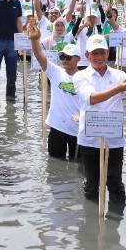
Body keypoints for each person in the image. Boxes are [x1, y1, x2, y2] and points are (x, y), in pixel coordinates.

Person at [74, 35, 126, 205]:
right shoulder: (80, 76)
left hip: (114, 140)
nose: (99, 57)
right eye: (95, 53)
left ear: (108, 53)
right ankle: (90, 223)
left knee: (115, 184)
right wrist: (119, 88)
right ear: (87, 55)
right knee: (91, 185)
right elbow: (92, 98)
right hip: (90, 139)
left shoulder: (120, 74)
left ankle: (116, 222)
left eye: (102, 53)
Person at [29, 19, 81, 160]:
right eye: (62, 57)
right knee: (54, 166)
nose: (64, 60)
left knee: (78, 167)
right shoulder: (56, 72)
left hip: (78, 130)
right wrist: (34, 39)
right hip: (57, 128)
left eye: (68, 57)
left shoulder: (86, 78)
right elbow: (39, 55)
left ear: (78, 59)